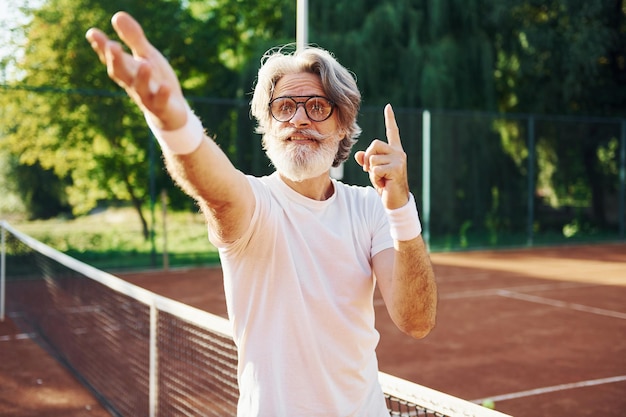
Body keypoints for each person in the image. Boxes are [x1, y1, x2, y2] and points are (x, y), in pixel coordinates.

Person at [86, 11, 437, 417]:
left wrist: (400, 206)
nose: (299, 118)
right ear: (268, 126)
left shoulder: (370, 208)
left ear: (343, 126)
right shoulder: (254, 204)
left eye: (317, 107)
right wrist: (172, 120)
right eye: (284, 107)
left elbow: (416, 321)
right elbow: (213, 185)